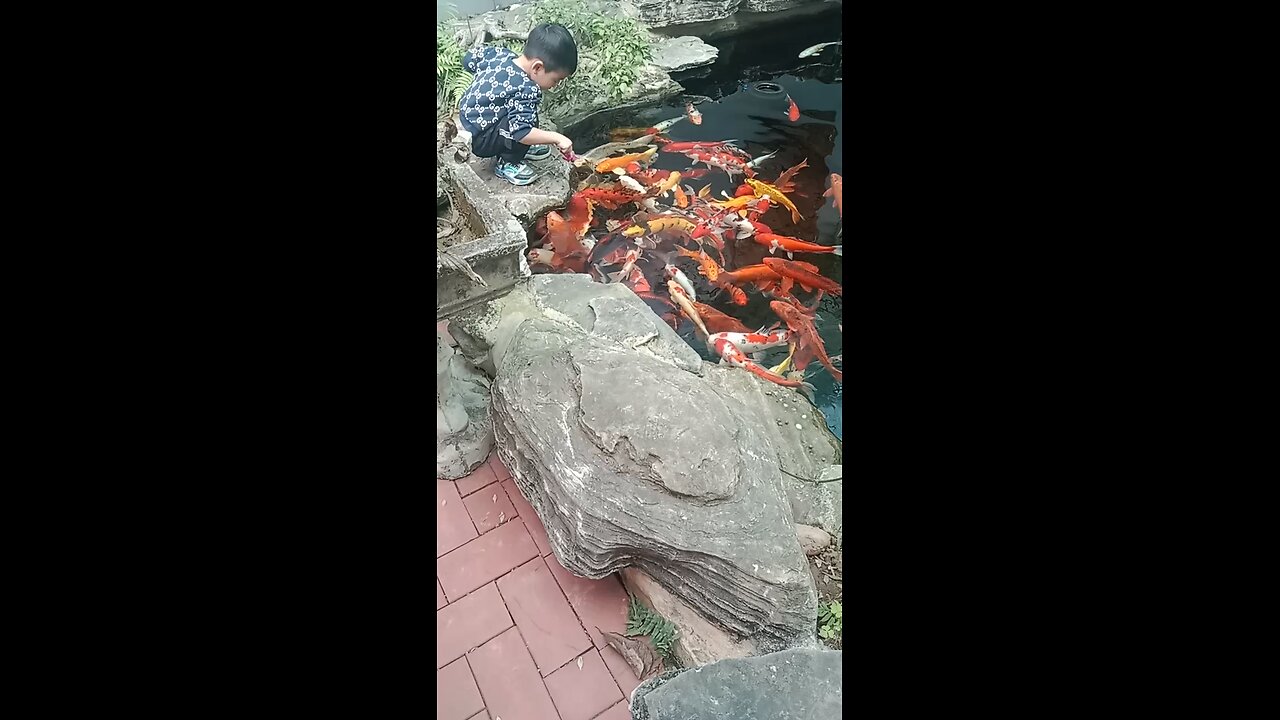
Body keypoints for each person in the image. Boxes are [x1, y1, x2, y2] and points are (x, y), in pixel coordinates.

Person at [458, 23, 577, 186]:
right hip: (481, 140)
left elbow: (469, 59)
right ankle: (508, 162)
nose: (555, 85)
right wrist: (556, 138)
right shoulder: (526, 88)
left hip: (469, 118)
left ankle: (516, 148)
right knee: (527, 122)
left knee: (521, 116)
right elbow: (522, 132)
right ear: (537, 67)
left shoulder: (502, 55)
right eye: (556, 80)